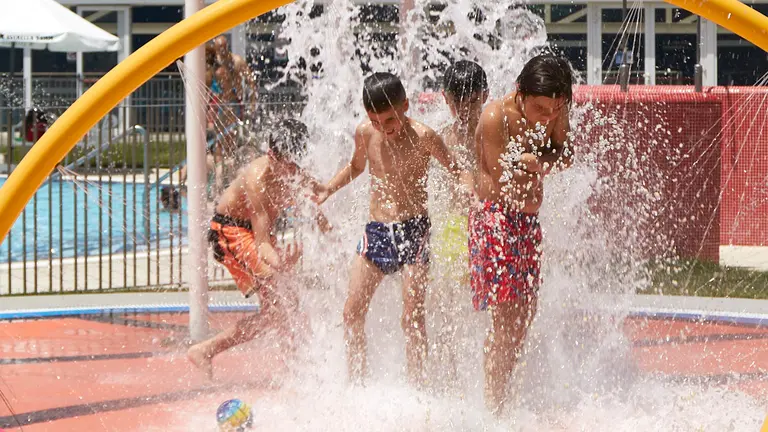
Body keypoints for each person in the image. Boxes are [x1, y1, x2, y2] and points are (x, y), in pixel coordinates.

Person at [313, 72, 473, 387]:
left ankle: (419, 390)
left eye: (389, 121)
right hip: (377, 231)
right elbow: (357, 167)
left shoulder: (424, 136)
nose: (383, 129)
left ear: (405, 107)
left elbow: (457, 169)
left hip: (414, 231)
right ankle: (356, 385)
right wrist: (328, 189)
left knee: (412, 318)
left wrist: (470, 191)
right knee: (351, 313)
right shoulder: (365, 133)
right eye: (375, 121)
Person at [187, 119, 331, 379]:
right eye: (284, 165)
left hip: (255, 235)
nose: (290, 172)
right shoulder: (258, 180)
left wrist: (335, 238)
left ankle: (297, 368)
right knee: (280, 307)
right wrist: (280, 263)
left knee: (286, 307)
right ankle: (297, 369)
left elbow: (320, 208)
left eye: (294, 164)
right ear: (271, 155)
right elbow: (262, 243)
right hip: (232, 233)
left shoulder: (295, 170)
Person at [472, 53, 574, 414]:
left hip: (527, 224)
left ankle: (502, 398)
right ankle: (492, 408)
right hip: (495, 219)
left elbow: (566, 153)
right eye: (539, 108)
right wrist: (536, 162)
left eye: (554, 109)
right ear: (519, 93)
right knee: (505, 320)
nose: (547, 117)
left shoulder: (555, 110)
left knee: (524, 317)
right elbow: (504, 179)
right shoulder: (494, 117)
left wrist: (541, 162)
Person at [430, 60, 489, 386]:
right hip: (453, 227)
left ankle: (486, 373)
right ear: (445, 100)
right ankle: (451, 379)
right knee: (449, 305)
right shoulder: (443, 140)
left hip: (489, 226)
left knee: (490, 307)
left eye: (473, 103)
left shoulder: (496, 133)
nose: (465, 111)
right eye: (458, 104)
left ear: (486, 96)